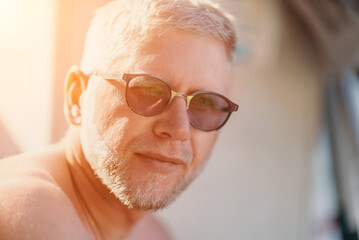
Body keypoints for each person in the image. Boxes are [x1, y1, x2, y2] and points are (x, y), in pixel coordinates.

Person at [0, 0, 237, 239]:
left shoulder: (155, 234)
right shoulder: (29, 210)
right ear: (77, 96)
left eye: (203, 102)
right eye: (148, 89)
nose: (179, 129)